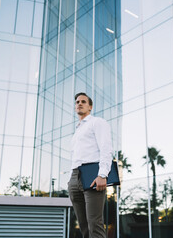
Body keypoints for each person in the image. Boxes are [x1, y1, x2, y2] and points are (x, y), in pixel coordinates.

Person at [68, 92, 113, 238]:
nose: (79, 103)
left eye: (83, 101)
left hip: (92, 175)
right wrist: (70, 179)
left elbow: (106, 149)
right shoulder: (77, 130)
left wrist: (102, 175)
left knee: (95, 223)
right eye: (77, 102)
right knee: (83, 225)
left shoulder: (97, 122)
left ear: (90, 106)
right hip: (75, 177)